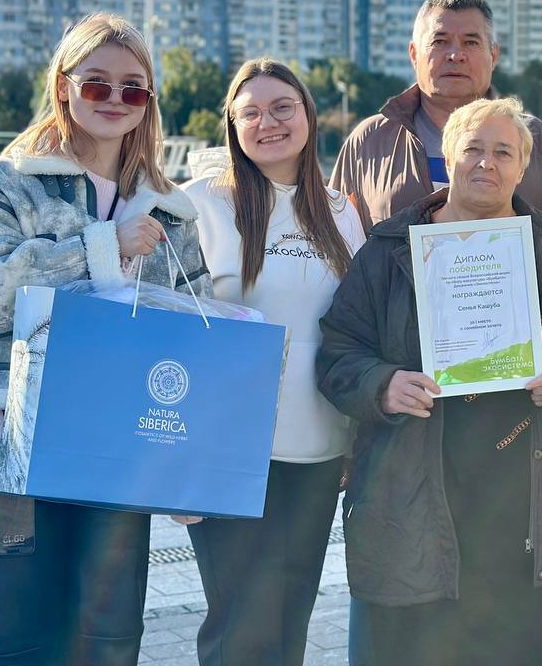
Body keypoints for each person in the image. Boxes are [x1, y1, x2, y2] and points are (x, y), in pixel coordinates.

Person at [0, 11, 209, 665]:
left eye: (133, 88)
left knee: (106, 644)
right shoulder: (6, 180)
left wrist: (189, 465)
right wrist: (102, 246)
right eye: (96, 83)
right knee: (17, 643)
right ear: (63, 85)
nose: (115, 99)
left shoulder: (170, 210)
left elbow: (191, 340)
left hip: (120, 451)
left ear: (148, 101)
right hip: (14, 451)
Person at [317, 96, 542, 666]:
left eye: (504, 152)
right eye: (473, 149)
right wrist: (382, 384)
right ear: (447, 158)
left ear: (523, 167)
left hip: (528, 492)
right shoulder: (390, 249)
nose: (486, 163)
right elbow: (337, 353)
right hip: (419, 487)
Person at [175, 58, 366, 665]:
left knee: (290, 617)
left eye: (283, 107)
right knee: (239, 626)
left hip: (319, 449)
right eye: (250, 112)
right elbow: (171, 330)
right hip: (228, 449)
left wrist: (354, 435)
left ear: (308, 114)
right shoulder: (199, 203)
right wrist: (179, 461)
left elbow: (354, 329)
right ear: (232, 125)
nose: (268, 122)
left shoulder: (340, 212)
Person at [329, 0, 542, 231]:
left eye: (470, 42)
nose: (455, 55)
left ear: (494, 56)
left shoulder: (537, 140)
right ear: (414, 54)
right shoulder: (369, 142)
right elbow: (334, 243)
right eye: (440, 41)